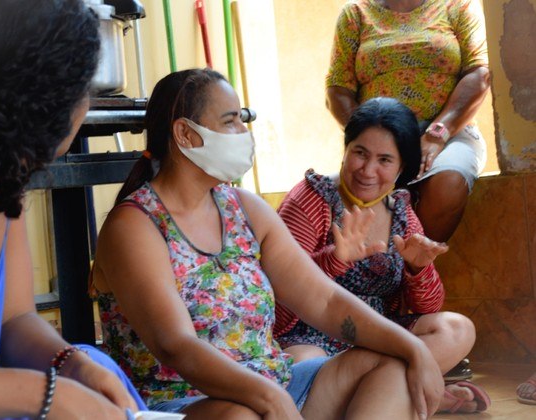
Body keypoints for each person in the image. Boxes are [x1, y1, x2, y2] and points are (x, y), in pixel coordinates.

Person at [90, 68, 446, 419]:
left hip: (276, 388)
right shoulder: (135, 225)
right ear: (185, 134)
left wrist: (413, 348)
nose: (244, 133)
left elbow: (324, 300)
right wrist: (269, 399)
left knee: (392, 365)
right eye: (231, 121)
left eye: (242, 120)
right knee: (241, 416)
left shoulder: (245, 208)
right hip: (183, 404)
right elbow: (177, 346)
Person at [0, 0, 146, 418]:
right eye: (84, 90)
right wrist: (41, 393)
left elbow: (14, 320)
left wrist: (68, 367)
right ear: (48, 97)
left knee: (93, 364)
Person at [274, 97, 490, 414]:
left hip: (379, 334)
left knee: (457, 329)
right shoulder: (310, 199)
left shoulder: (401, 211)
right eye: (360, 153)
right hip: (308, 336)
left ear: (402, 167)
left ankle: (393, 389)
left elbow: (428, 307)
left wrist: (419, 269)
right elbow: (278, 297)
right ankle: (415, 392)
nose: (368, 170)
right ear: (345, 150)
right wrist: (334, 259)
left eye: (385, 160)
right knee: (302, 365)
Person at [325, 0, 490, 243]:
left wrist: (437, 133)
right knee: (361, 184)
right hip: (380, 137)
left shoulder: (458, 6)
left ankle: (410, 271)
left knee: (448, 182)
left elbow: (479, 74)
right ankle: (383, 272)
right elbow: (338, 90)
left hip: (450, 133)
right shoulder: (356, 13)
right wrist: (373, 140)